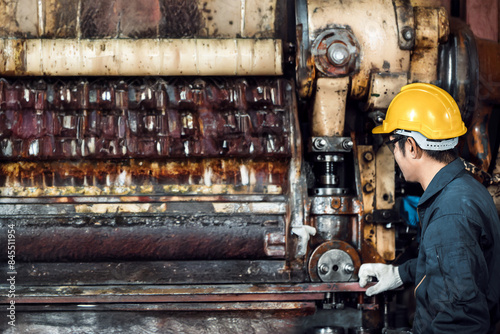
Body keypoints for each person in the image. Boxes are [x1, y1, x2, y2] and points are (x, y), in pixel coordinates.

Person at [358, 83, 500, 333]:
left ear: (411, 146)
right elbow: (450, 266)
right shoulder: (464, 188)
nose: (394, 154)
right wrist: (399, 273)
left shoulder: (450, 213)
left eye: (393, 146)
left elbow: (461, 322)